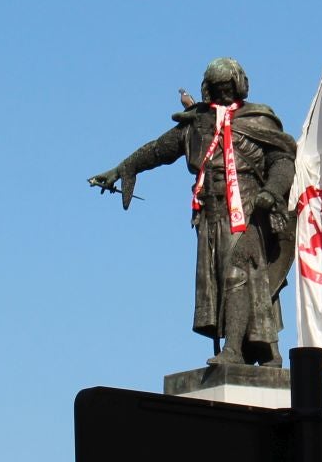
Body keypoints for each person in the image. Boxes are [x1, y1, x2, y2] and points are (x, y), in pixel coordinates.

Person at [89, 58, 299, 366]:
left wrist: (271, 190)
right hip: (211, 214)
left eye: (228, 87)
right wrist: (123, 168)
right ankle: (265, 351)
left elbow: (282, 161)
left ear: (238, 86)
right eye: (217, 88)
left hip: (247, 210)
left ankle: (234, 350)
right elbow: (159, 149)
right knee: (223, 280)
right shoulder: (199, 124)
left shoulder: (259, 119)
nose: (224, 93)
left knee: (238, 273)